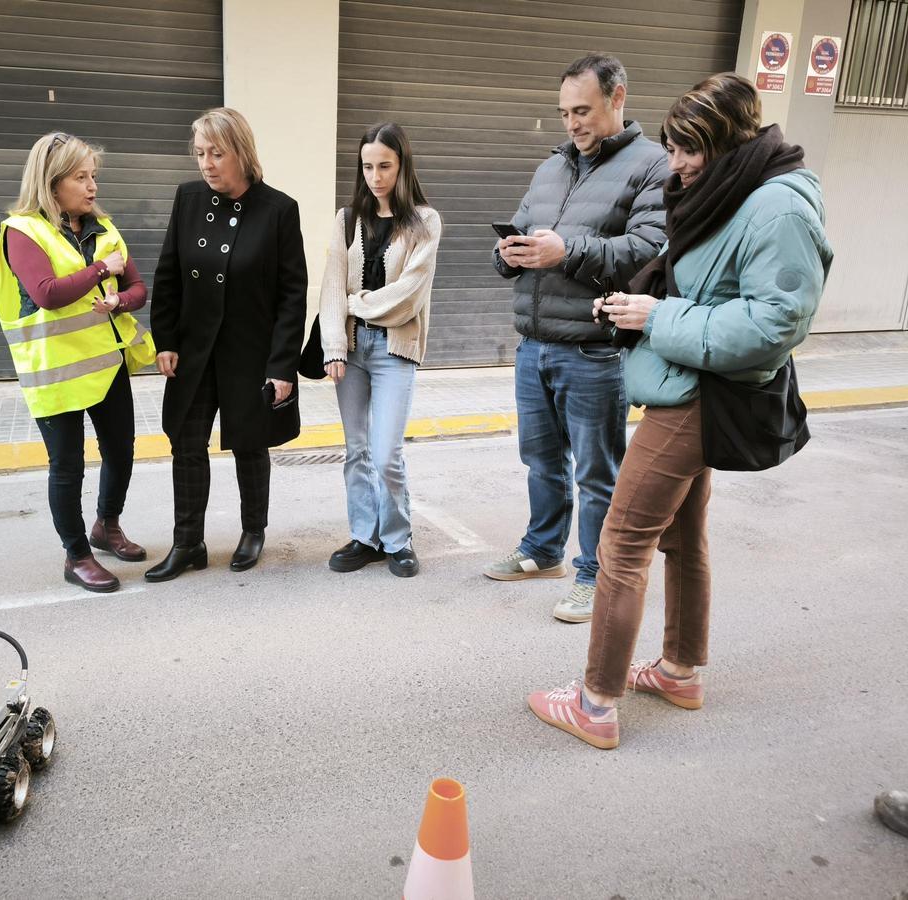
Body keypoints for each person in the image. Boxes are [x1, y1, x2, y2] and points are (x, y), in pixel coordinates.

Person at [527, 73, 832, 749]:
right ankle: (679, 670)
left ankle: (596, 703)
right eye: (674, 147)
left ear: (732, 140)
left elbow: (777, 321)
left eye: (692, 148)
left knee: (620, 543)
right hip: (692, 383)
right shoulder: (731, 189)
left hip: (699, 395)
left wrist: (661, 317)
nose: (678, 163)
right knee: (681, 538)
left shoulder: (778, 206)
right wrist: (642, 303)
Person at [484, 54, 667, 624]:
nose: (572, 123)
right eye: (564, 112)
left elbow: (646, 249)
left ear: (618, 98)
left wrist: (569, 251)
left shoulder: (651, 165)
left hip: (594, 346)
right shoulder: (551, 168)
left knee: (596, 470)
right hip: (534, 341)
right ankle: (544, 551)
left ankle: (595, 574)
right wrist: (507, 254)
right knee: (539, 458)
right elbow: (519, 230)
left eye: (582, 110)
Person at [0, 132, 156, 593]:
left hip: (106, 364)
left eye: (93, 176)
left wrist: (120, 299)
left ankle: (107, 525)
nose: (92, 186)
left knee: (121, 451)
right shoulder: (23, 232)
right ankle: (76, 554)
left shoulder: (103, 227)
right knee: (67, 465)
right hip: (56, 371)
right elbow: (48, 293)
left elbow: (140, 289)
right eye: (81, 177)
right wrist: (103, 271)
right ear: (51, 182)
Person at [145, 108, 307, 582]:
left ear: (242, 152)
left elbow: (291, 295)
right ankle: (187, 542)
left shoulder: (278, 209)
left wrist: (281, 367)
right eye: (199, 153)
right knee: (187, 444)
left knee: (250, 445)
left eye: (217, 153)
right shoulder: (189, 198)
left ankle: (253, 531)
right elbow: (169, 273)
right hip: (195, 351)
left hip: (250, 353)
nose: (206, 164)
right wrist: (166, 339)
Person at [319, 123, 441, 578]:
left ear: (402, 165)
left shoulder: (425, 221)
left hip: (394, 350)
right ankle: (365, 537)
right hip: (350, 349)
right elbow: (331, 287)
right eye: (368, 166)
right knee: (356, 450)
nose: (375, 176)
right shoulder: (347, 218)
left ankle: (398, 538)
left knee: (386, 450)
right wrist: (333, 343)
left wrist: (359, 303)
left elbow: (410, 294)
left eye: (385, 166)